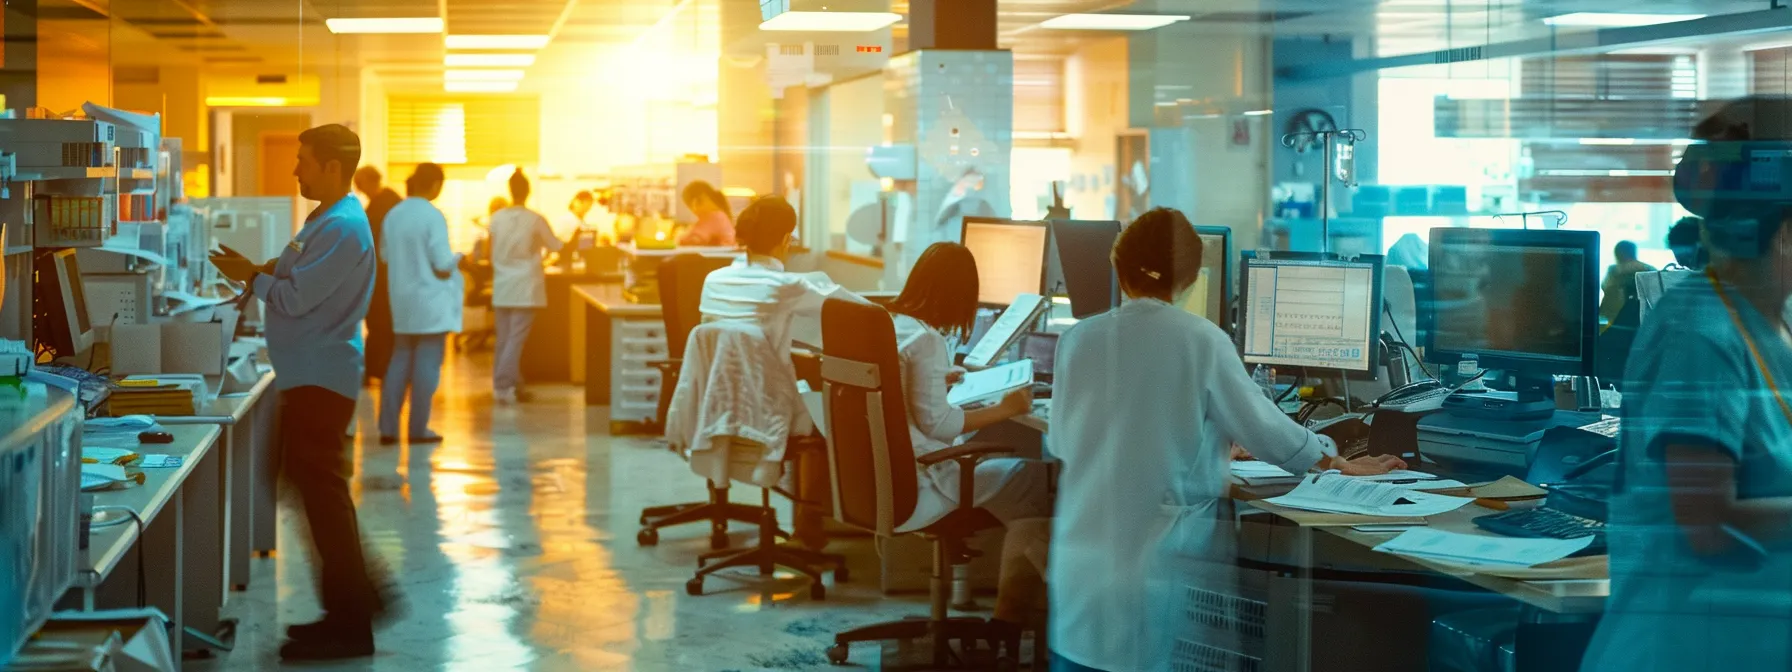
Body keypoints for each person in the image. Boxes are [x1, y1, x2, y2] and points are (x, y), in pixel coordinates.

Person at [1046, 207, 1402, 672]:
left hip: (1078, 570)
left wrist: (1203, 440)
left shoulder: (1078, 340)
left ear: (1119, 267)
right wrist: (1340, 463)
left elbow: (1064, 442)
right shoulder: (1199, 338)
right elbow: (1271, 436)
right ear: (1192, 278)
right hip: (1150, 569)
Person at [1581, 97, 1792, 672]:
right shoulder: (1698, 331)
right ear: (1779, 234)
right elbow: (1710, 524)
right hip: (1688, 646)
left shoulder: (1773, 319)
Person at [208, 124, 390, 662]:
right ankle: (355, 606)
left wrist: (254, 278)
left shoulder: (344, 226)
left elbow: (297, 296)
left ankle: (355, 620)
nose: (295, 170)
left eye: (304, 161)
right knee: (307, 489)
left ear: (332, 167)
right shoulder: (324, 219)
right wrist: (259, 269)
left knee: (322, 497)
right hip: (308, 375)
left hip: (321, 378)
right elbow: (296, 272)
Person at [886, 241, 1052, 631]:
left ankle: (1010, 616)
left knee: (1022, 490)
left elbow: (900, 396)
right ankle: (1014, 619)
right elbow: (939, 426)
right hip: (927, 480)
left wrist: (935, 381)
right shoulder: (926, 339)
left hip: (892, 478)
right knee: (1038, 482)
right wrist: (1007, 409)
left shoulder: (895, 326)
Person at [378, 163, 462, 445]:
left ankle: (387, 429)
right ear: (435, 184)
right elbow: (441, 264)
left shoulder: (394, 214)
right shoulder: (432, 215)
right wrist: (460, 259)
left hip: (401, 301)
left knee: (399, 361)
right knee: (427, 365)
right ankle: (417, 430)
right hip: (430, 303)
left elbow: (385, 256)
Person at [488, 169, 564, 404]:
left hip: (502, 284)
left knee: (504, 338)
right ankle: (503, 385)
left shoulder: (496, 218)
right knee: (516, 339)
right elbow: (556, 246)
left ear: (509, 190)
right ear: (528, 191)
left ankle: (513, 383)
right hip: (525, 285)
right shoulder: (535, 219)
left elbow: (489, 251)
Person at [354, 166, 401, 388]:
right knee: (376, 322)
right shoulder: (376, 204)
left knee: (384, 323)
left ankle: (383, 369)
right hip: (376, 273)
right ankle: (375, 369)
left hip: (388, 273)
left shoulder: (390, 202)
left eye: (362, 185)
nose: (361, 190)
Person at [1599, 240, 1658, 327]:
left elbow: (1606, 286)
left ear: (1619, 253)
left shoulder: (1614, 270)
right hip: (1643, 321)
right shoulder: (1649, 269)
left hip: (1615, 319)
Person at [678, 180, 735, 247]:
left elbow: (693, 239)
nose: (694, 211)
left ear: (696, 202)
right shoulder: (721, 215)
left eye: (689, 206)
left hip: (716, 257)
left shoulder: (713, 218)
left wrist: (679, 238)